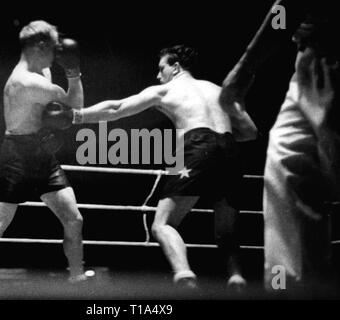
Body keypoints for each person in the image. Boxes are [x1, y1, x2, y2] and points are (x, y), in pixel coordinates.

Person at [54, 45, 258, 289]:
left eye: (162, 68)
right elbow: (250, 132)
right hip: (230, 148)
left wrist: (75, 116)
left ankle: (184, 275)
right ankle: (237, 277)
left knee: (163, 224)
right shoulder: (218, 91)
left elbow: (116, 108)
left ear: (176, 67)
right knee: (227, 232)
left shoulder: (165, 90)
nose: (158, 75)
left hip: (195, 144)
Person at [0, 20, 87, 285]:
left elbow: (47, 112)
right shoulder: (26, 82)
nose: (58, 50)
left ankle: (78, 280)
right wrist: (73, 70)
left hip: (42, 154)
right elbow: (75, 106)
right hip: (18, 158)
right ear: (41, 46)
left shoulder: (40, 71)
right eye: (54, 45)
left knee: (73, 218)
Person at [219, 0, 340, 292]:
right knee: (284, 168)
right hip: (311, 60)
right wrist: (246, 67)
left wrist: (245, 68)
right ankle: (286, 289)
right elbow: (287, 10)